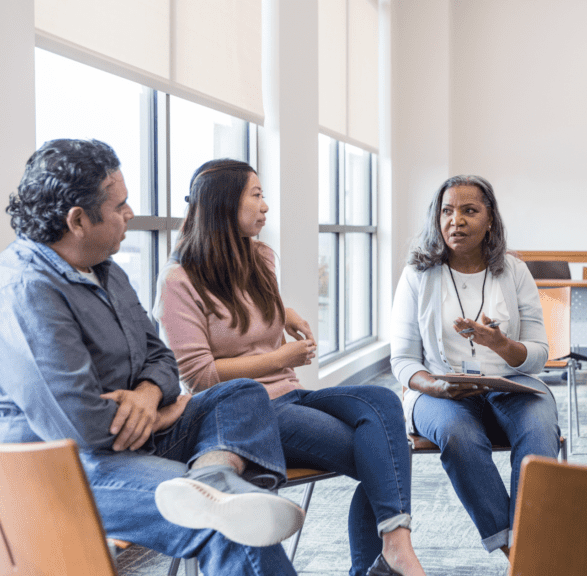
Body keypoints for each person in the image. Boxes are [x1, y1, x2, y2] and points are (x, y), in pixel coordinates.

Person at [0, 139, 305, 576]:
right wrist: (159, 416)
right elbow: (78, 423)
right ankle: (217, 495)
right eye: (119, 205)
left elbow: (160, 358)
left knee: (239, 395)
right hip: (67, 469)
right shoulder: (25, 291)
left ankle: (212, 479)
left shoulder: (106, 269)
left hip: (133, 438)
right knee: (225, 523)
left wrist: (145, 394)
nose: (130, 214)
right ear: (78, 220)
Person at [154, 159, 425, 576]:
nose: (265, 206)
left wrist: (285, 312)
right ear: (226, 203)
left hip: (292, 395)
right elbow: (200, 376)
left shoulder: (259, 256)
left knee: (382, 401)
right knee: (387, 454)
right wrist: (282, 357)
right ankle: (393, 554)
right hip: (248, 414)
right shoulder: (179, 281)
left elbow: (244, 307)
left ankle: (393, 546)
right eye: (256, 194)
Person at [390, 175, 559, 557]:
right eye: (447, 211)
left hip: (510, 384)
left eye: (469, 211)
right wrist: (434, 386)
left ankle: (532, 536)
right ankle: (516, 553)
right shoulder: (417, 274)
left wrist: (501, 345)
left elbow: (538, 354)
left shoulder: (513, 271)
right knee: (457, 434)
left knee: (539, 429)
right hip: (439, 391)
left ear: (490, 220)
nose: (456, 221)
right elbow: (402, 360)